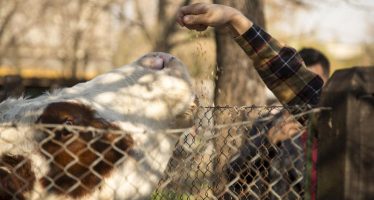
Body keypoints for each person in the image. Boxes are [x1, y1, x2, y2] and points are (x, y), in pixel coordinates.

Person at [177, 3, 324, 199]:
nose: (296, 97)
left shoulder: (335, 126)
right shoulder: (268, 124)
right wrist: (269, 144)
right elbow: (235, 176)